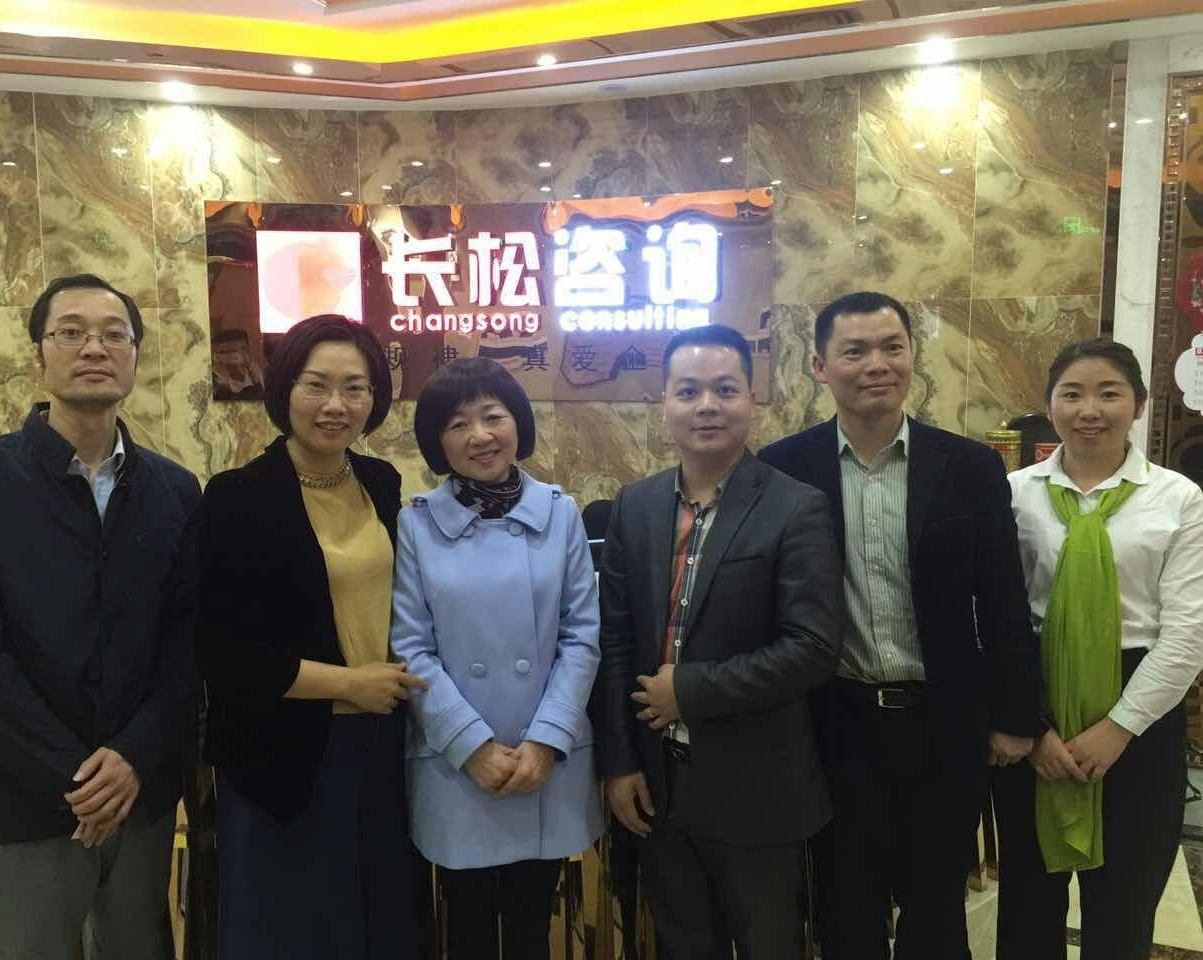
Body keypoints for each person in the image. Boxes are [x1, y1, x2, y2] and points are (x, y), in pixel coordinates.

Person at [0, 273, 200, 958]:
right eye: (70, 332)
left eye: (114, 335)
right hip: (21, 803)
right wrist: (76, 777)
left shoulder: (174, 489)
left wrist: (133, 758)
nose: (93, 348)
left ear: (135, 356)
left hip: (139, 802)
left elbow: (186, 646)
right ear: (37, 357)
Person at [758, 291, 1041, 960]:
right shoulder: (782, 469)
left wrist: (1015, 715)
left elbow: (1004, 596)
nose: (876, 365)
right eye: (854, 351)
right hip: (835, 725)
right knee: (845, 907)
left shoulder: (968, 466)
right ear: (820, 367)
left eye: (892, 347)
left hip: (943, 723)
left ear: (913, 356)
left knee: (936, 908)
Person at [594, 323, 843, 959]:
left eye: (725, 389)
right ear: (664, 403)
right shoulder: (635, 505)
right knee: (682, 945)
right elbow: (615, 641)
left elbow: (813, 646)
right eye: (688, 391)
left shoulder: (796, 507)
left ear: (751, 399)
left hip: (758, 788)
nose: (707, 405)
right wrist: (620, 762)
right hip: (658, 785)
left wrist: (691, 691)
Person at [197, 314, 426, 959]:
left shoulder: (380, 482)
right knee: (294, 930)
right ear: (284, 391)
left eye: (355, 388)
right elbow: (225, 653)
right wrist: (350, 683)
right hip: (285, 754)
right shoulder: (237, 497)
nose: (335, 405)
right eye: (316, 385)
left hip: (381, 745)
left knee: (379, 920)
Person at [994, 339, 1203, 960]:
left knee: (1124, 904)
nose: (1090, 410)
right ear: (1050, 405)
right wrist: (1033, 729)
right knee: (1028, 903)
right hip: (1034, 699)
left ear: (1138, 404)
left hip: (1140, 710)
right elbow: (996, 615)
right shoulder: (1012, 493)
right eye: (1073, 394)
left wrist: (1117, 729)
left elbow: (1187, 634)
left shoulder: (1178, 499)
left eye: (1109, 393)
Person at [391, 358, 602, 960]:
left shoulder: (561, 512)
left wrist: (546, 741)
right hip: (458, 766)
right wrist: (472, 747)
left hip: (545, 763)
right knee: (468, 930)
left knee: (535, 927)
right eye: (457, 424)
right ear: (437, 441)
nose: (479, 436)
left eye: (493, 416)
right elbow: (411, 648)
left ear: (518, 424)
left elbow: (581, 635)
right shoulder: (417, 522)